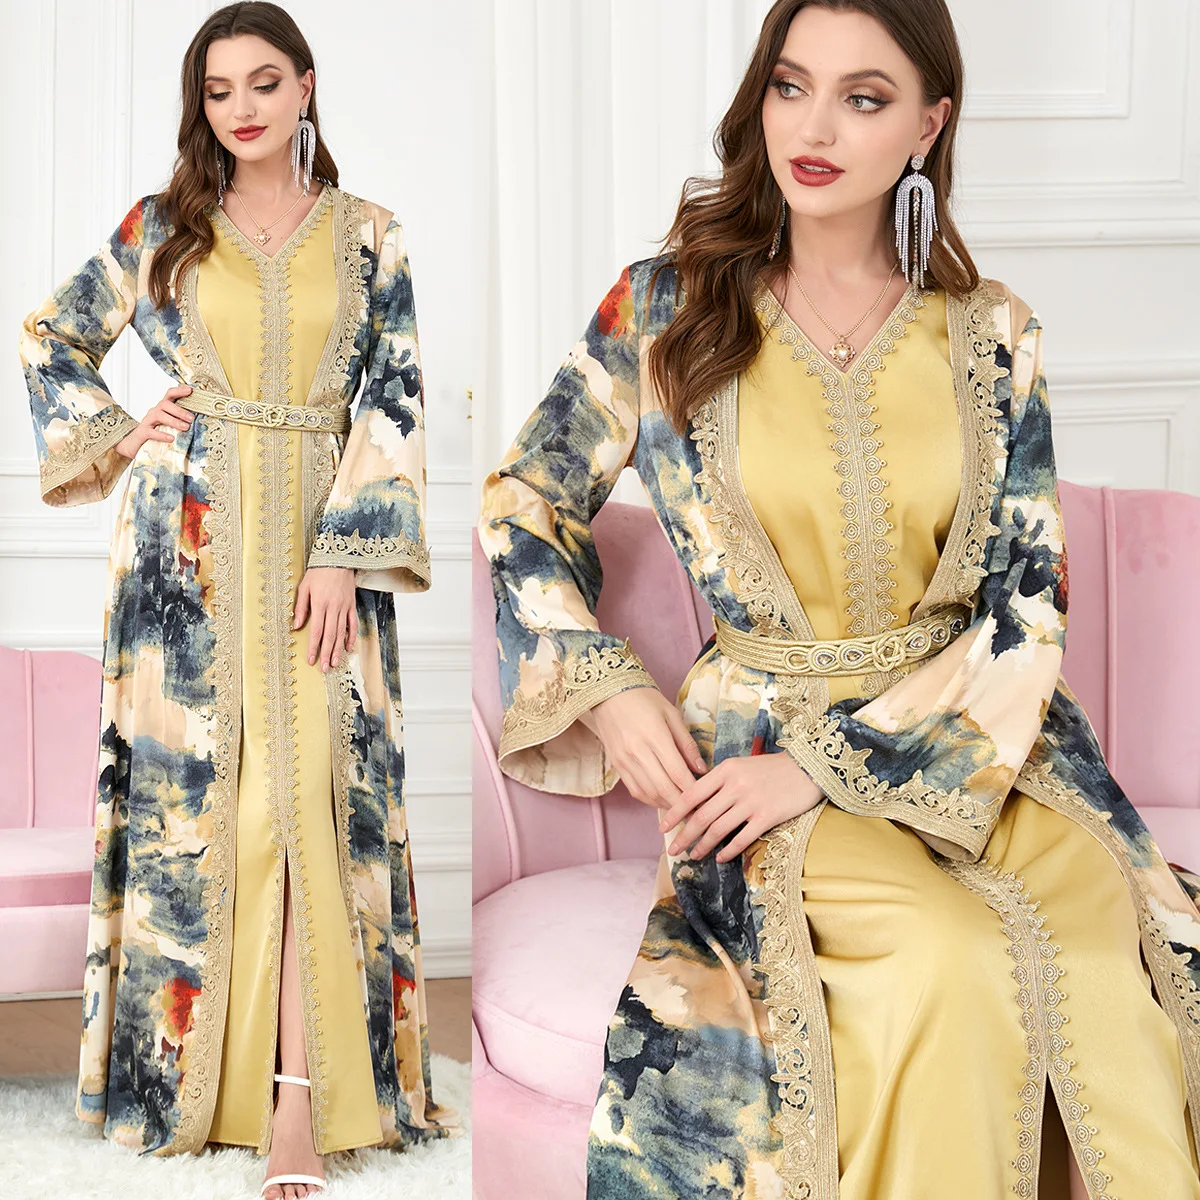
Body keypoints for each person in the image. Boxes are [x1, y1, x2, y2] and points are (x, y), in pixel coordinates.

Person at [477, 1, 1200, 1196]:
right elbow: (523, 500)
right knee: (948, 961)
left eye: (864, 99)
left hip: (980, 747)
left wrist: (827, 765)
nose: (813, 128)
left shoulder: (991, 334)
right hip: (755, 749)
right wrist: (607, 689)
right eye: (790, 85)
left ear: (928, 125)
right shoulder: (663, 311)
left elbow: (1026, 596)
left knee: (1098, 963)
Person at [19, 4, 457, 1196]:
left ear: (306, 85)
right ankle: (203, 1089)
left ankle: (301, 1107)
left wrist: (343, 554)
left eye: (265, 82)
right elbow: (51, 336)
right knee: (208, 818)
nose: (243, 108)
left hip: (321, 551)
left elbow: (396, 398)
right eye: (219, 91)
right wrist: (126, 431)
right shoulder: (162, 229)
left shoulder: (370, 237)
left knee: (309, 807)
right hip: (185, 553)